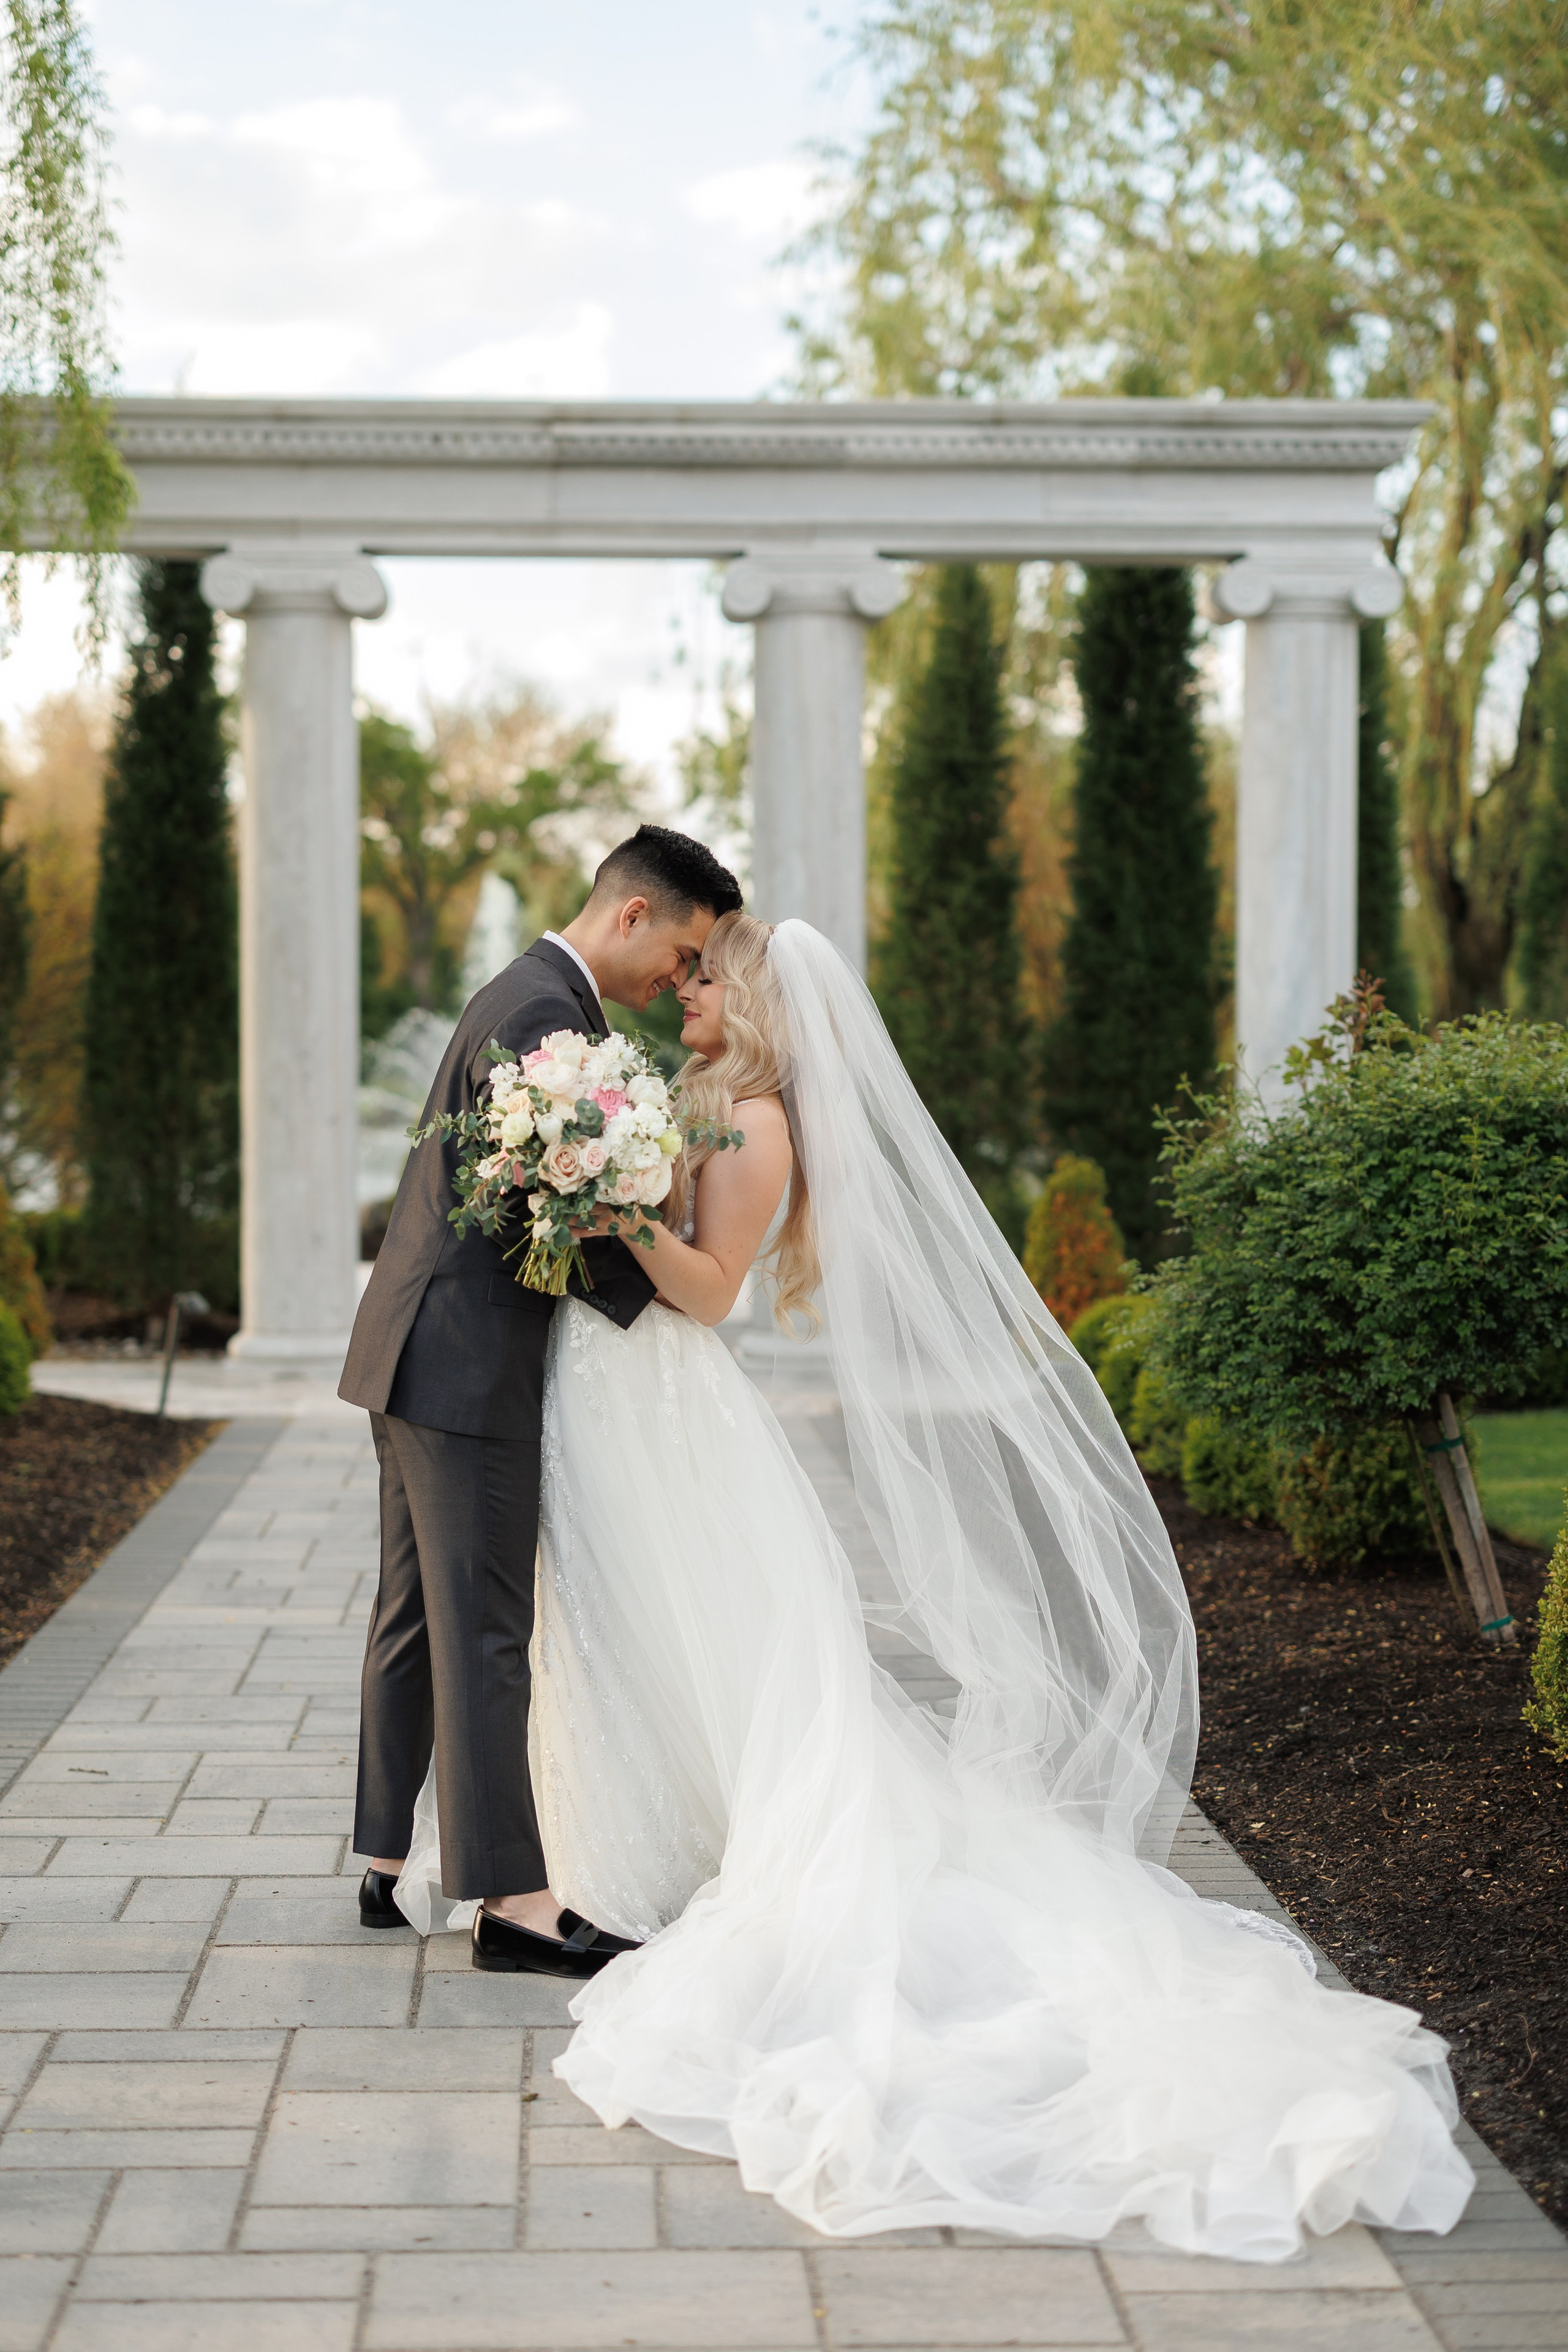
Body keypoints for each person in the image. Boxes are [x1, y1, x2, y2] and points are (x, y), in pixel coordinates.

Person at [391, 911, 1475, 2260]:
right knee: (620, 1628)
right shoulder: (704, 1098)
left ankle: (640, 1852)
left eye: (704, 979)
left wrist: (609, 1205)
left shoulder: (762, 1120)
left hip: (663, 1393)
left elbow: (711, 1290)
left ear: (756, 1003)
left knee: (670, 1626)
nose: (685, 993)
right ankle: (595, 1837)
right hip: (616, 1395)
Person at [339, 824, 742, 1974]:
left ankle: (381, 1860)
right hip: (466, 1363)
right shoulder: (546, 1019)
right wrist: (668, 1291)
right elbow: (533, 1213)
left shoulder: (531, 993)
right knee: (484, 1625)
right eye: (681, 950)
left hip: (416, 1349)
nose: (681, 979)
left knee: (417, 1608)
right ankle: (513, 1903)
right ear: (632, 915)